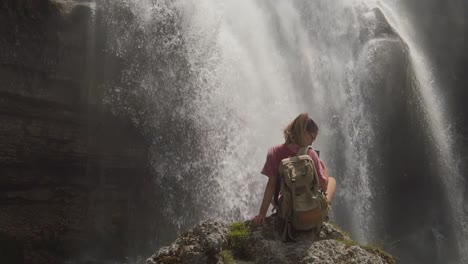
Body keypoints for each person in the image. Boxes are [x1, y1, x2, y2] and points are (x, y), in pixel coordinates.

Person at [252, 113, 337, 225]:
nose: (312, 142)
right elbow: (323, 185)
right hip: (308, 214)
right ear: (304, 133)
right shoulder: (310, 154)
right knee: (332, 180)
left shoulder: (274, 151)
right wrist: (324, 167)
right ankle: (323, 216)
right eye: (312, 137)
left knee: (276, 196)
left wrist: (262, 213)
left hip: (287, 213)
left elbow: (271, 185)